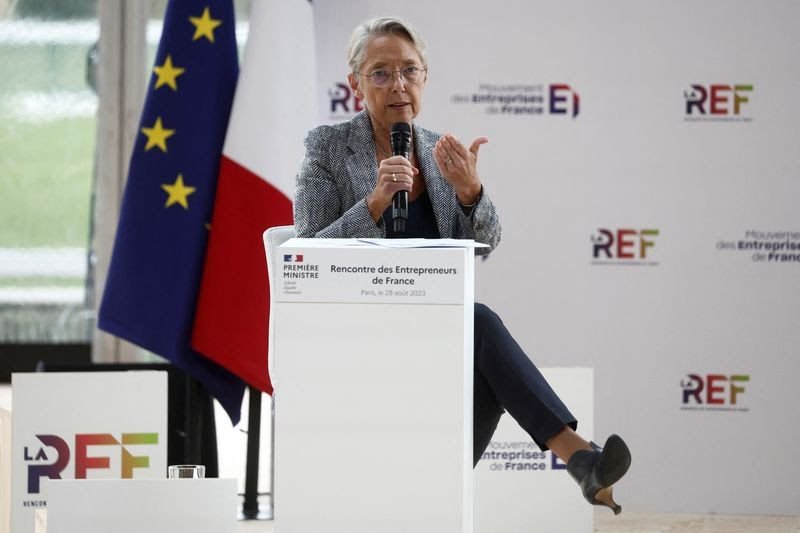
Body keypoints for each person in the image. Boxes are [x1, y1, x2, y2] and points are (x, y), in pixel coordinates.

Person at [294, 16, 631, 514]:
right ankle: (577, 459)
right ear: (356, 84)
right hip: (359, 330)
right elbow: (305, 257)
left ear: (425, 76)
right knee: (479, 327)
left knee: (482, 363)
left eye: (409, 70)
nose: (398, 84)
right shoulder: (327, 148)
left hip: (434, 327)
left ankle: (431, 504)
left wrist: (471, 192)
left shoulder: (439, 152)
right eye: (381, 73)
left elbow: (488, 241)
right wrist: (374, 203)